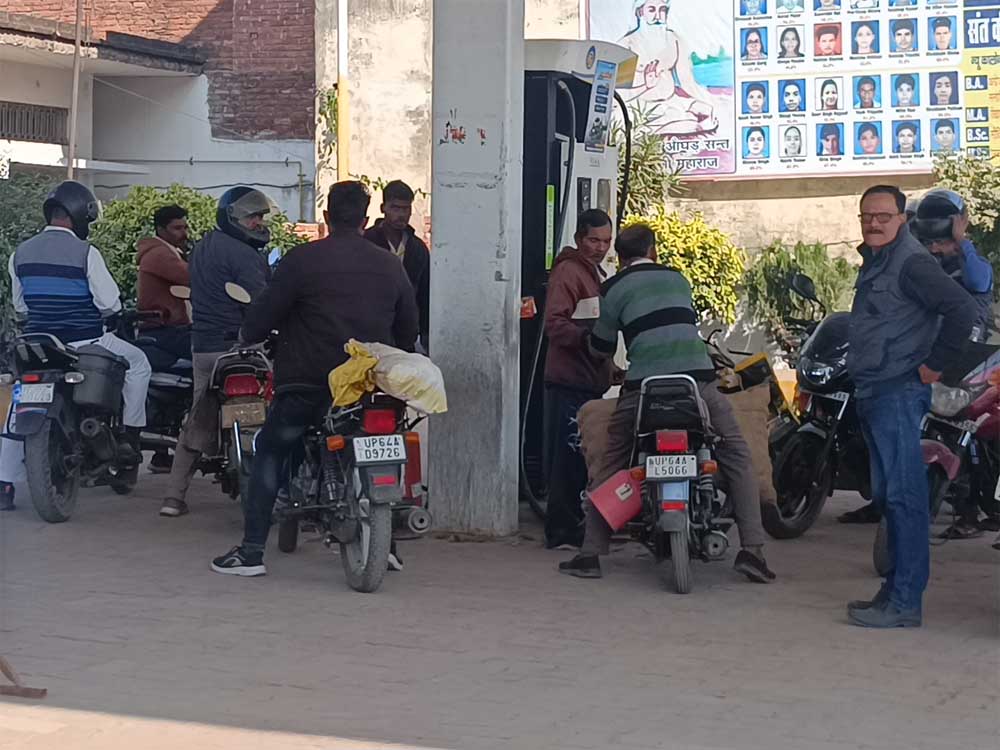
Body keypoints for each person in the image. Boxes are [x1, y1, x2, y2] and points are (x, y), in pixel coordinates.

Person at [211, 181, 419, 577]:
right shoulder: (390, 265)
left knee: (271, 449)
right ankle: (388, 547)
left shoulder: (301, 260)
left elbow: (264, 315)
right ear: (365, 219)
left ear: (326, 217)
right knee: (384, 446)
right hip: (368, 385)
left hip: (308, 383)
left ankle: (251, 552)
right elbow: (409, 328)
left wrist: (247, 334)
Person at [558, 224, 776, 584]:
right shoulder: (677, 279)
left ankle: (590, 554)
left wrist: (595, 347)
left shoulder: (612, 288)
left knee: (611, 461)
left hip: (643, 390)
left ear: (619, 257)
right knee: (737, 453)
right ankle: (753, 549)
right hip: (698, 384)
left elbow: (601, 346)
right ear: (653, 251)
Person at [846, 185, 975, 628]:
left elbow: (961, 310)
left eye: (883, 216)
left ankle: (904, 603)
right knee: (889, 496)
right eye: (867, 216)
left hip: (898, 391)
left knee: (905, 497)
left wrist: (934, 366)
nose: (874, 223)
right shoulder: (878, 260)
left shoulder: (912, 263)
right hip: (875, 390)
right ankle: (893, 593)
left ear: (902, 219)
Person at [0, 181, 152, 510]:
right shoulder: (86, 253)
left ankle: (4, 485)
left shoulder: (19, 253)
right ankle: (131, 435)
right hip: (85, 341)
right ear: (79, 215)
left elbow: (21, 307)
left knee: (17, 407)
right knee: (140, 363)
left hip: (39, 345)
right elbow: (109, 303)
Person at [159, 187, 273, 518]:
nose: (258, 222)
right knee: (278, 412)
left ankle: (173, 497)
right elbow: (263, 305)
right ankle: (289, 492)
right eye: (252, 217)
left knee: (197, 418)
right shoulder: (246, 256)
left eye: (259, 216)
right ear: (233, 219)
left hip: (205, 349)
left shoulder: (202, 248)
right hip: (244, 349)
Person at [541, 210, 615, 549]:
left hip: (589, 380)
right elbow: (555, 324)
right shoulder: (569, 272)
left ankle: (577, 525)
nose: (600, 247)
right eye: (593, 240)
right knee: (568, 458)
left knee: (581, 458)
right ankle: (561, 531)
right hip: (569, 381)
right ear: (578, 239)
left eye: (606, 241)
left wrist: (610, 366)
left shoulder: (594, 274)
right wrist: (589, 342)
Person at [618, 1, 719, 135]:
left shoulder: (674, 40)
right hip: (640, 106)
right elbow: (619, 94)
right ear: (640, 12)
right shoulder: (626, 45)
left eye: (662, 10)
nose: (658, 16)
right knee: (684, 120)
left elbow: (686, 81)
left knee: (706, 110)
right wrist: (646, 86)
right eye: (652, 10)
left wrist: (709, 101)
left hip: (671, 101)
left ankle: (681, 122)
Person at [364, 180, 430, 353]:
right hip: (372, 327)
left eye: (405, 208)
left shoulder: (417, 248)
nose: (401, 214)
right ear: (383, 208)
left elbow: (424, 293)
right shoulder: (367, 241)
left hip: (406, 331)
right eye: (395, 208)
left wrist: (425, 332)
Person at [136, 205, 192, 363]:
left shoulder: (170, 251)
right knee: (213, 350)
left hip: (172, 328)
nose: (184, 233)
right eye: (177, 228)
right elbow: (195, 278)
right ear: (161, 229)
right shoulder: (159, 254)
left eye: (185, 227)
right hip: (166, 329)